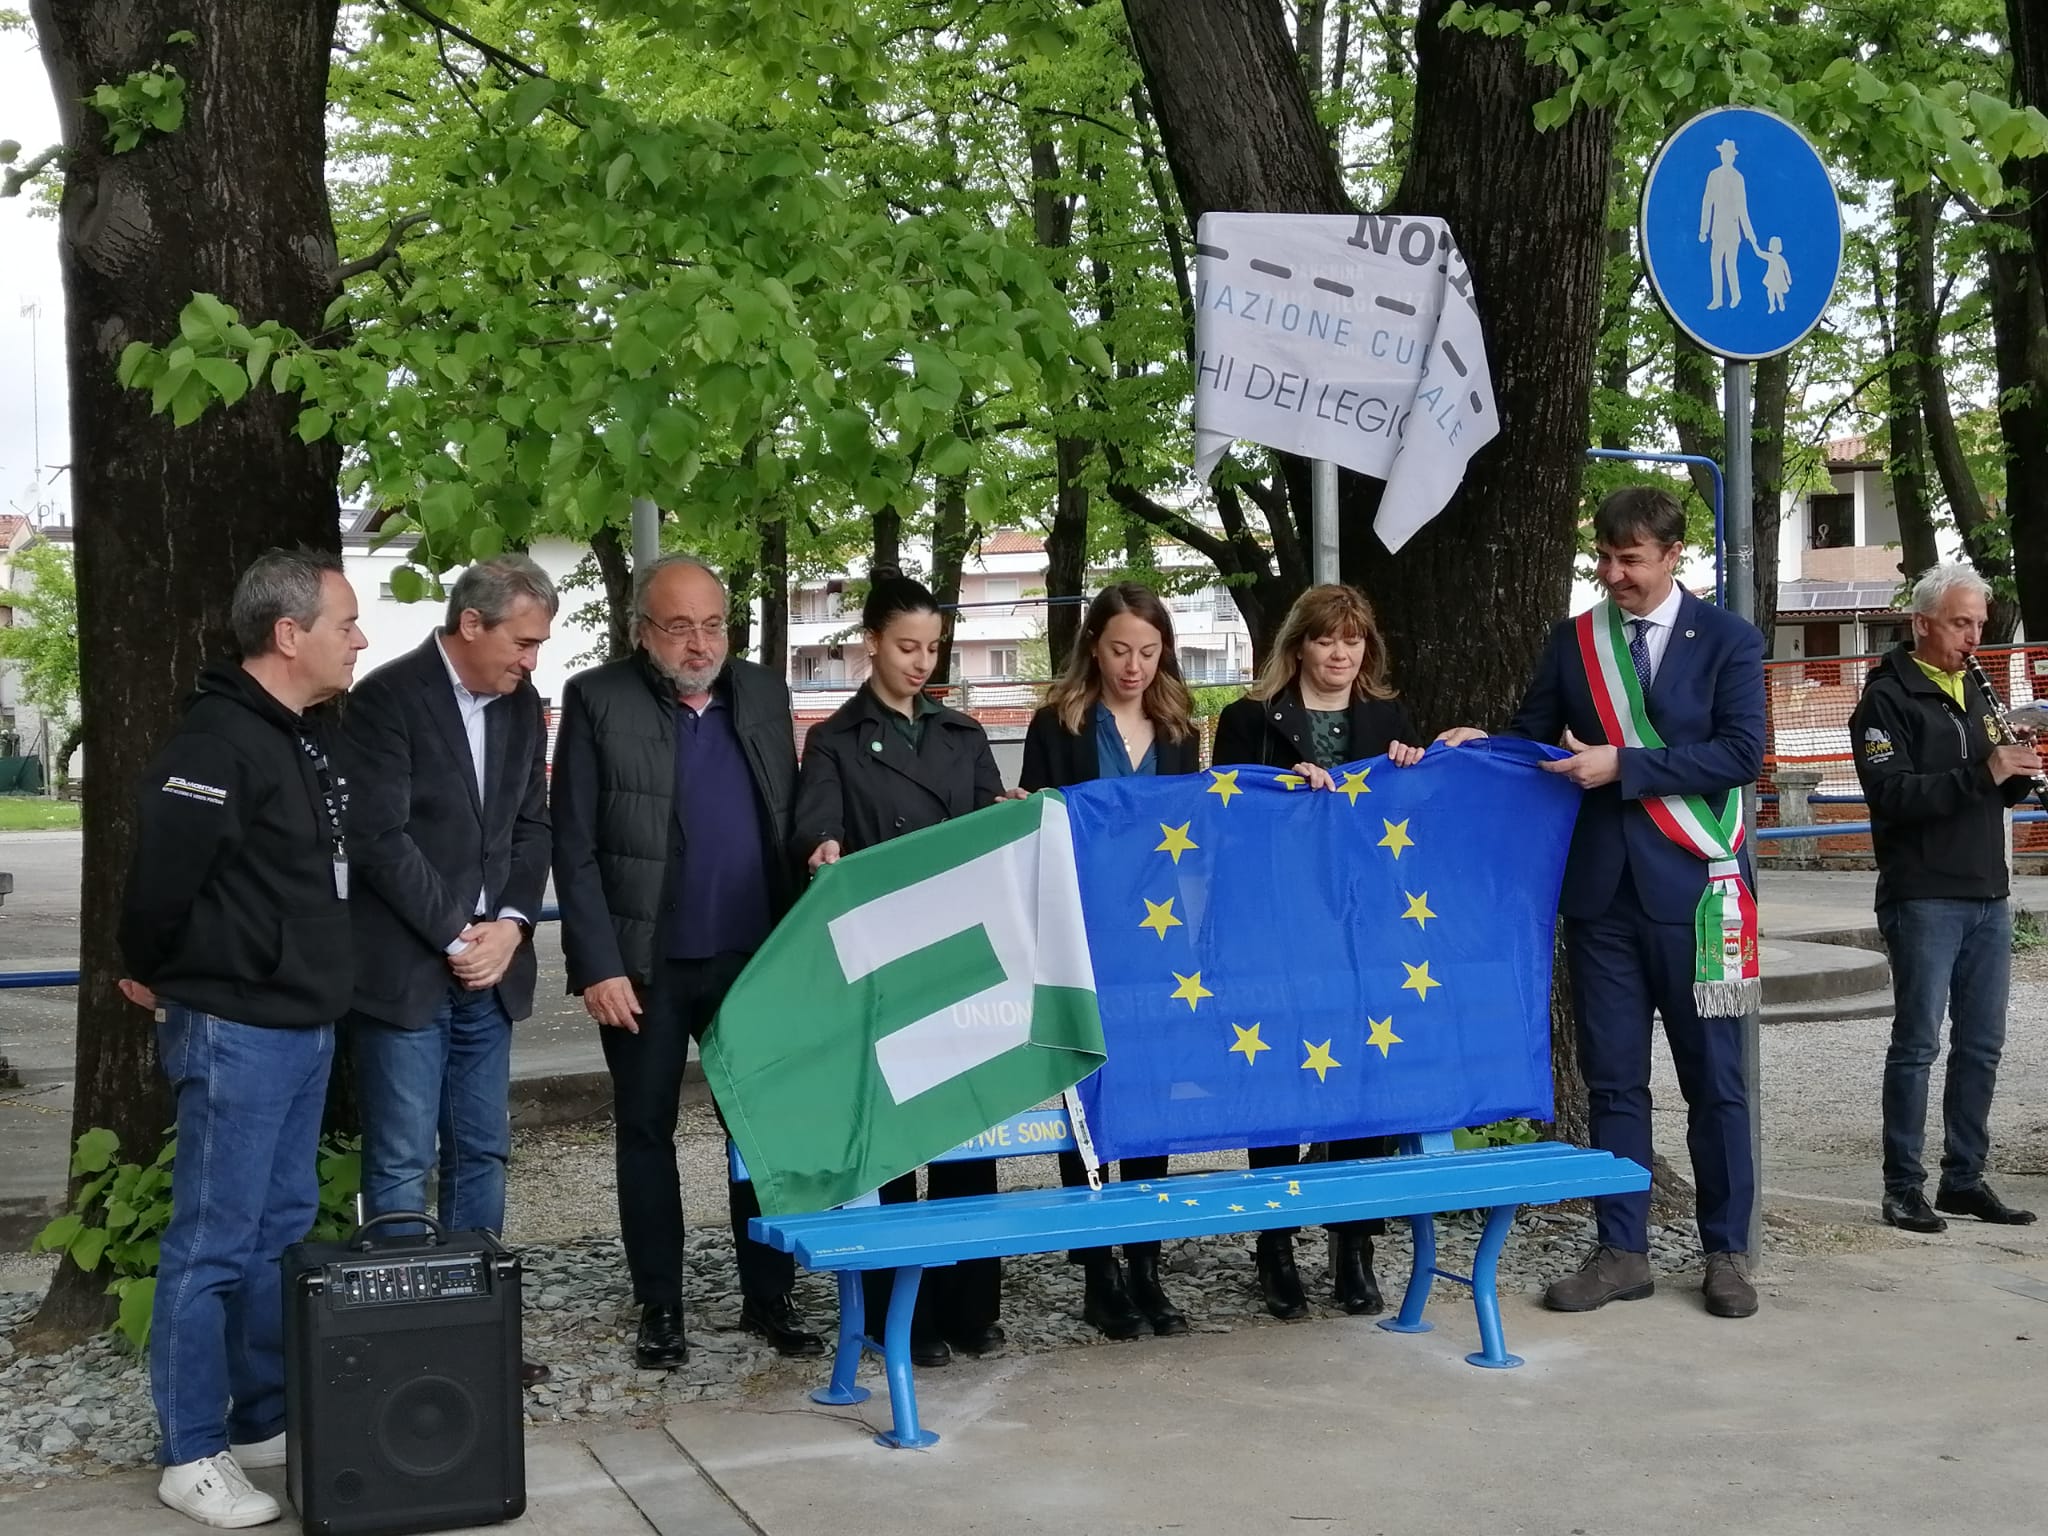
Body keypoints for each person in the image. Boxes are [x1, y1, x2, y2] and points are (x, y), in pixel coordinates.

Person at [1438, 484, 1766, 1320]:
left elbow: (1739, 754)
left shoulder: (1727, 640)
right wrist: (1488, 747)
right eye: (1606, 558)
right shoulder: (1575, 641)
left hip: (1699, 894)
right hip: (1603, 900)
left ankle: (1726, 1251)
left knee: (1716, 1083)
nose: (1613, 574)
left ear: (1670, 556)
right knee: (1615, 1083)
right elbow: (1540, 736)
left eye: (1630, 560)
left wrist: (1626, 766)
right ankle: (1623, 1249)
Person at [118, 549, 366, 1528]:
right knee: (213, 1243)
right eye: (344, 623)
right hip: (236, 1028)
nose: (359, 639)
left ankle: (261, 1418)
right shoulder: (217, 742)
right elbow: (161, 880)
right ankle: (190, 1453)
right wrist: (159, 968)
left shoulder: (294, 736)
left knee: (277, 1234)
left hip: (299, 1024)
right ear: (287, 634)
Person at [551, 554, 823, 1370]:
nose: (698, 643)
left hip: (755, 958)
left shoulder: (765, 693)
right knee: (646, 1132)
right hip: (644, 968)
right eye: (679, 626)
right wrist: (597, 963)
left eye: (712, 625)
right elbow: (574, 844)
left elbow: (793, 813)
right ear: (643, 632)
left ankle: (768, 1295)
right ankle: (661, 1306)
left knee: (763, 1132)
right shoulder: (597, 699)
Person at [339, 555, 557, 1388]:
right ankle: (403, 1346)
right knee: (399, 1161)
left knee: (483, 1152)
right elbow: (378, 838)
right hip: (408, 973)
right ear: (473, 624)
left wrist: (507, 925)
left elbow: (532, 829)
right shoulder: (386, 700)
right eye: (524, 641)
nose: (531, 659)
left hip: (490, 971)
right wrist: (455, 932)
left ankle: (477, 1338)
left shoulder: (523, 706)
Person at [794, 568, 1018, 1367]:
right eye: (905, 646)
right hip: (886, 960)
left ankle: (970, 1304)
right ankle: (904, 1316)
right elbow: (816, 826)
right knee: (894, 1143)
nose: (920, 662)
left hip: (961, 955)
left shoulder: (961, 736)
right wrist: (820, 848)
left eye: (932, 648)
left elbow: (989, 828)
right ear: (871, 645)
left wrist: (1009, 816)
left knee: (967, 1133)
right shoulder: (836, 739)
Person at [1211, 583, 1424, 1320]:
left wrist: (1411, 763)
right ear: (1298, 644)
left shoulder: (1389, 719)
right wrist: (1276, 788)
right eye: (1327, 640)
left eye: (1353, 641)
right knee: (1276, 1077)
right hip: (1276, 928)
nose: (1340, 654)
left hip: (1363, 928)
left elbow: (1408, 818)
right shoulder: (1245, 720)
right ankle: (1274, 1244)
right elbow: (1221, 815)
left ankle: (1354, 1246)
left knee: (1363, 1078)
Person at [1020, 583, 1202, 1341]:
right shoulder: (1054, 723)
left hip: (1158, 941)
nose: (1134, 666)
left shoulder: (1181, 728)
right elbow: (1033, 820)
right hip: (1079, 932)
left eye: (1149, 652)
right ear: (1094, 644)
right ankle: (1099, 1273)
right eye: (1121, 649)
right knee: (1088, 1096)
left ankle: (1147, 1269)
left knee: (1153, 1098)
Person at [1849, 564, 2039, 1233]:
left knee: (1982, 1044)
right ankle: (1903, 1186)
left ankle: (1965, 1178)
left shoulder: (1978, 691)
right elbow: (1893, 797)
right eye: (1962, 623)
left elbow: (1992, 790)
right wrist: (1982, 770)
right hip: (1924, 894)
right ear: (1922, 623)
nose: (1973, 637)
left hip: (1988, 892)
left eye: (1980, 624)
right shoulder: (1886, 699)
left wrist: (2017, 769)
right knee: (1917, 1045)